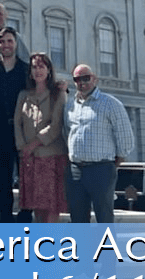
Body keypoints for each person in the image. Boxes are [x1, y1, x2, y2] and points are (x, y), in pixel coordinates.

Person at [62, 63, 135, 223]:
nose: (82, 82)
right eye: (77, 79)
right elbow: (67, 133)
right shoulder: (70, 106)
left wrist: (116, 160)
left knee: (104, 216)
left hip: (101, 169)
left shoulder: (111, 104)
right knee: (77, 217)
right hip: (75, 170)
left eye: (86, 78)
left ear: (94, 79)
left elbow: (125, 137)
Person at [14, 53, 68, 222]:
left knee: (51, 206)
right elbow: (17, 123)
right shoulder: (23, 95)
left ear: (49, 70)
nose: (38, 70)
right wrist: (23, 148)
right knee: (36, 204)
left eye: (41, 66)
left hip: (51, 156)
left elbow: (56, 125)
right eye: (34, 67)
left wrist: (35, 143)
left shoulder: (58, 93)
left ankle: (50, 243)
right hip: (29, 158)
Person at [0, 27, 30, 222]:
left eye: (9, 41)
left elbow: (42, 89)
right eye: (2, 41)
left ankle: (26, 213)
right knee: (2, 178)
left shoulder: (26, 70)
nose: (6, 45)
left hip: (23, 131)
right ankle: (5, 216)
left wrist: (62, 89)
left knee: (25, 175)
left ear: (16, 43)